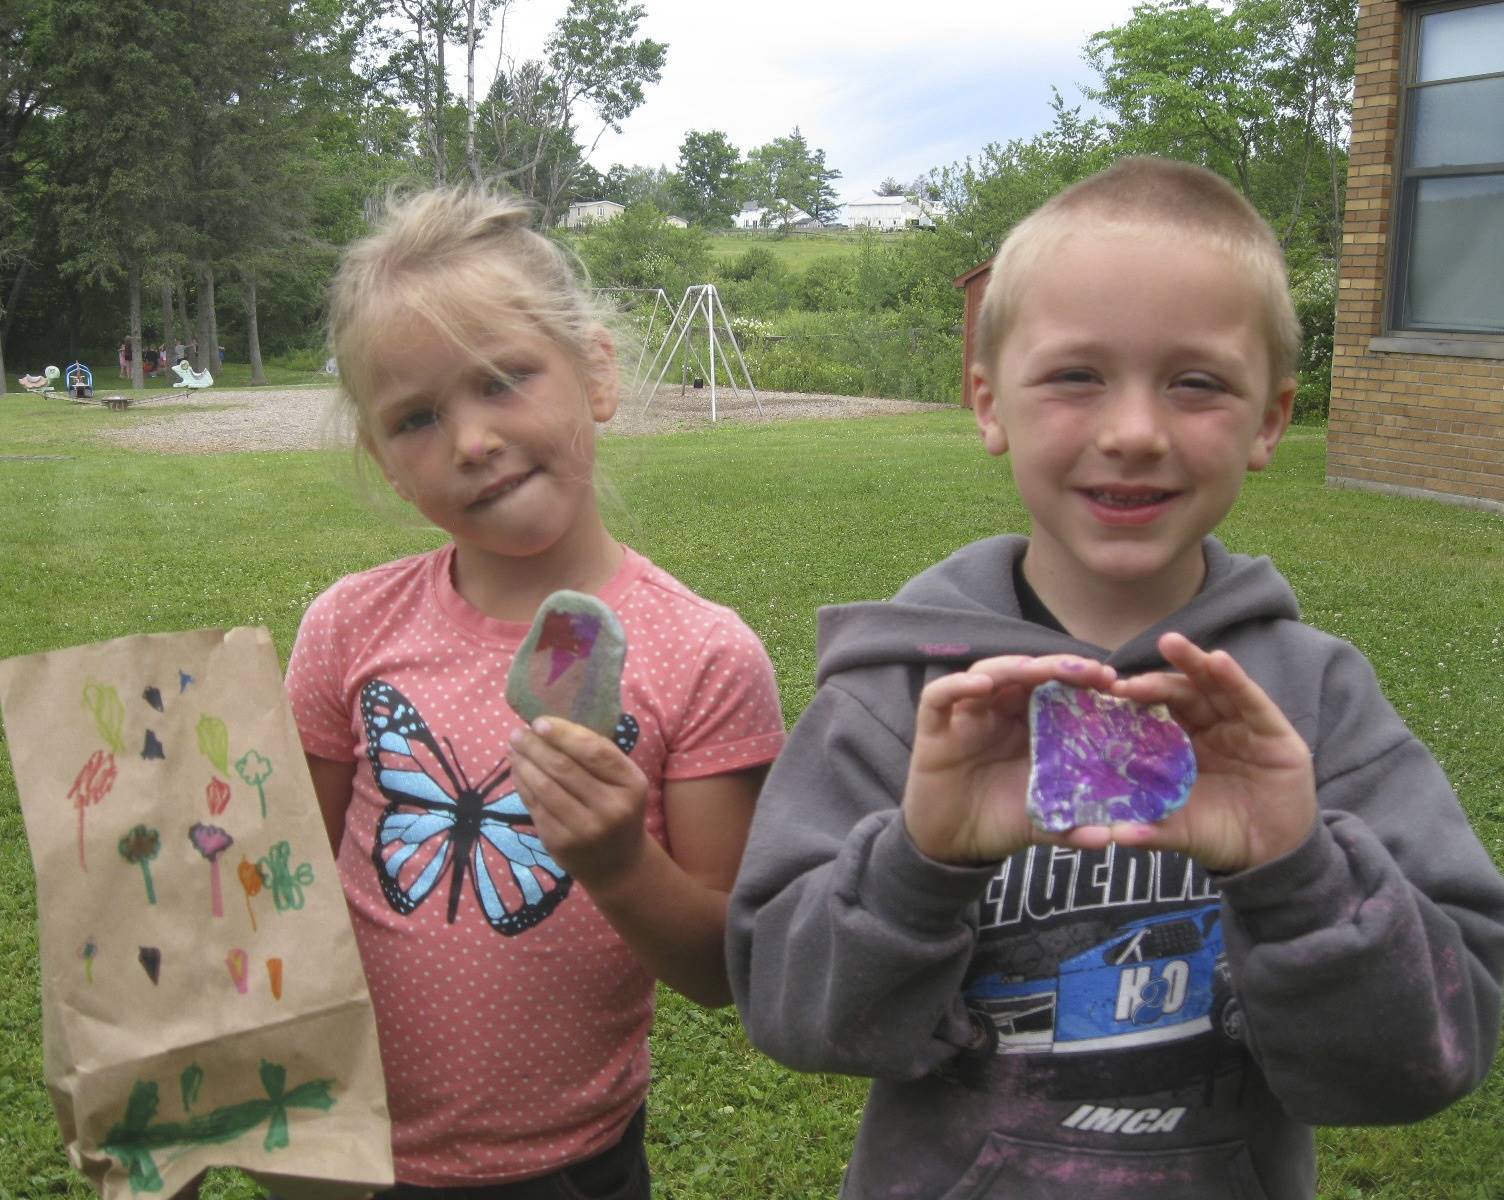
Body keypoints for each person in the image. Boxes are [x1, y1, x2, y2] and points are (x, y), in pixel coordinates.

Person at [726, 157, 1504, 1200]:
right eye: (1075, 375)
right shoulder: (898, 701)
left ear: (1269, 420)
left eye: (1194, 382)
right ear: (986, 401)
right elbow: (790, 1016)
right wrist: (918, 863)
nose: (1134, 431)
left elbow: (1431, 1058)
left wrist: (1296, 869)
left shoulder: (1311, 706)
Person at [285, 186, 785, 1198]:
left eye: (504, 380)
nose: (469, 441)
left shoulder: (702, 654)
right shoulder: (349, 627)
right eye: (416, 418)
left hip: (566, 1167)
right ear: (382, 459)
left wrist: (615, 859)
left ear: (595, 373)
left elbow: (721, 968)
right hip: (338, 1153)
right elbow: (273, 895)